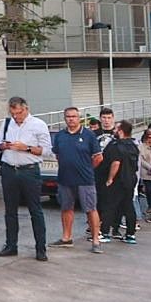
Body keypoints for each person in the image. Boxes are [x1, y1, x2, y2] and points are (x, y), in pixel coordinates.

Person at [0, 96, 51, 261]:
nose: (16, 117)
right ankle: (11, 245)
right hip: (9, 170)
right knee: (10, 210)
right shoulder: (6, 123)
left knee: (35, 210)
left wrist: (26, 148)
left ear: (26, 109)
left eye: (18, 113)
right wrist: (2, 145)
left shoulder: (38, 125)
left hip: (29, 171)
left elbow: (46, 150)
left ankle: (40, 248)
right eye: (13, 114)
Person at [51, 107, 104, 253]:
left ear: (79, 118)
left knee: (90, 209)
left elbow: (99, 157)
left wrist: (86, 168)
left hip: (85, 180)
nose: (71, 119)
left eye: (74, 116)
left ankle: (95, 241)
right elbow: (58, 155)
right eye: (68, 116)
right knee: (66, 208)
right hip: (65, 179)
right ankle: (66, 238)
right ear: (64, 118)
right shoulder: (60, 136)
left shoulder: (89, 135)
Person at [100, 120, 140, 244]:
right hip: (130, 179)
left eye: (116, 129)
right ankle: (130, 234)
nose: (113, 131)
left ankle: (105, 233)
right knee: (128, 206)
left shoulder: (116, 145)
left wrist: (110, 178)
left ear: (121, 131)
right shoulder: (133, 145)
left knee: (110, 205)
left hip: (118, 180)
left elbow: (116, 163)